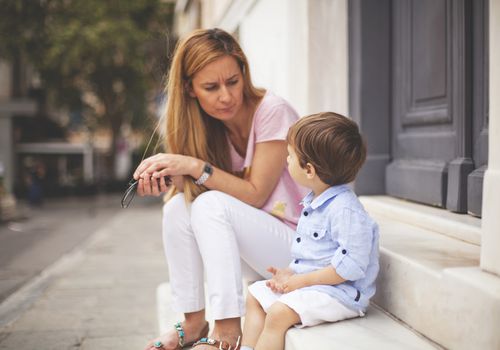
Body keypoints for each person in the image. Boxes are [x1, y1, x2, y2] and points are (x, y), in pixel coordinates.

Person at [134, 28, 307, 350]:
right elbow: (195, 204)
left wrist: (195, 168)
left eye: (232, 81)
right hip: (261, 249)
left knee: (211, 203)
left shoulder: (273, 111)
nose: (225, 96)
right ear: (189, 89)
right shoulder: (202, 127)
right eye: (211, 87)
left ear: (244, 72)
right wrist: (169, 182)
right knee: (177, 208)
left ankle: (227, 329)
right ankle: (193, 321)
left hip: (301, 248)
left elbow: (255, 193)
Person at [239, 112, 380, 350]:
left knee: (277, 314)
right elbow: (313, 255)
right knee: (255, 295)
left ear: (309, 170)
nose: (286, 160)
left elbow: (351, 267)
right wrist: (289, 273)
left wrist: (301, 281)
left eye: (290, 156)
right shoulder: (315, 202)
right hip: (315, 286)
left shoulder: (346, 210)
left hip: (340, 294)